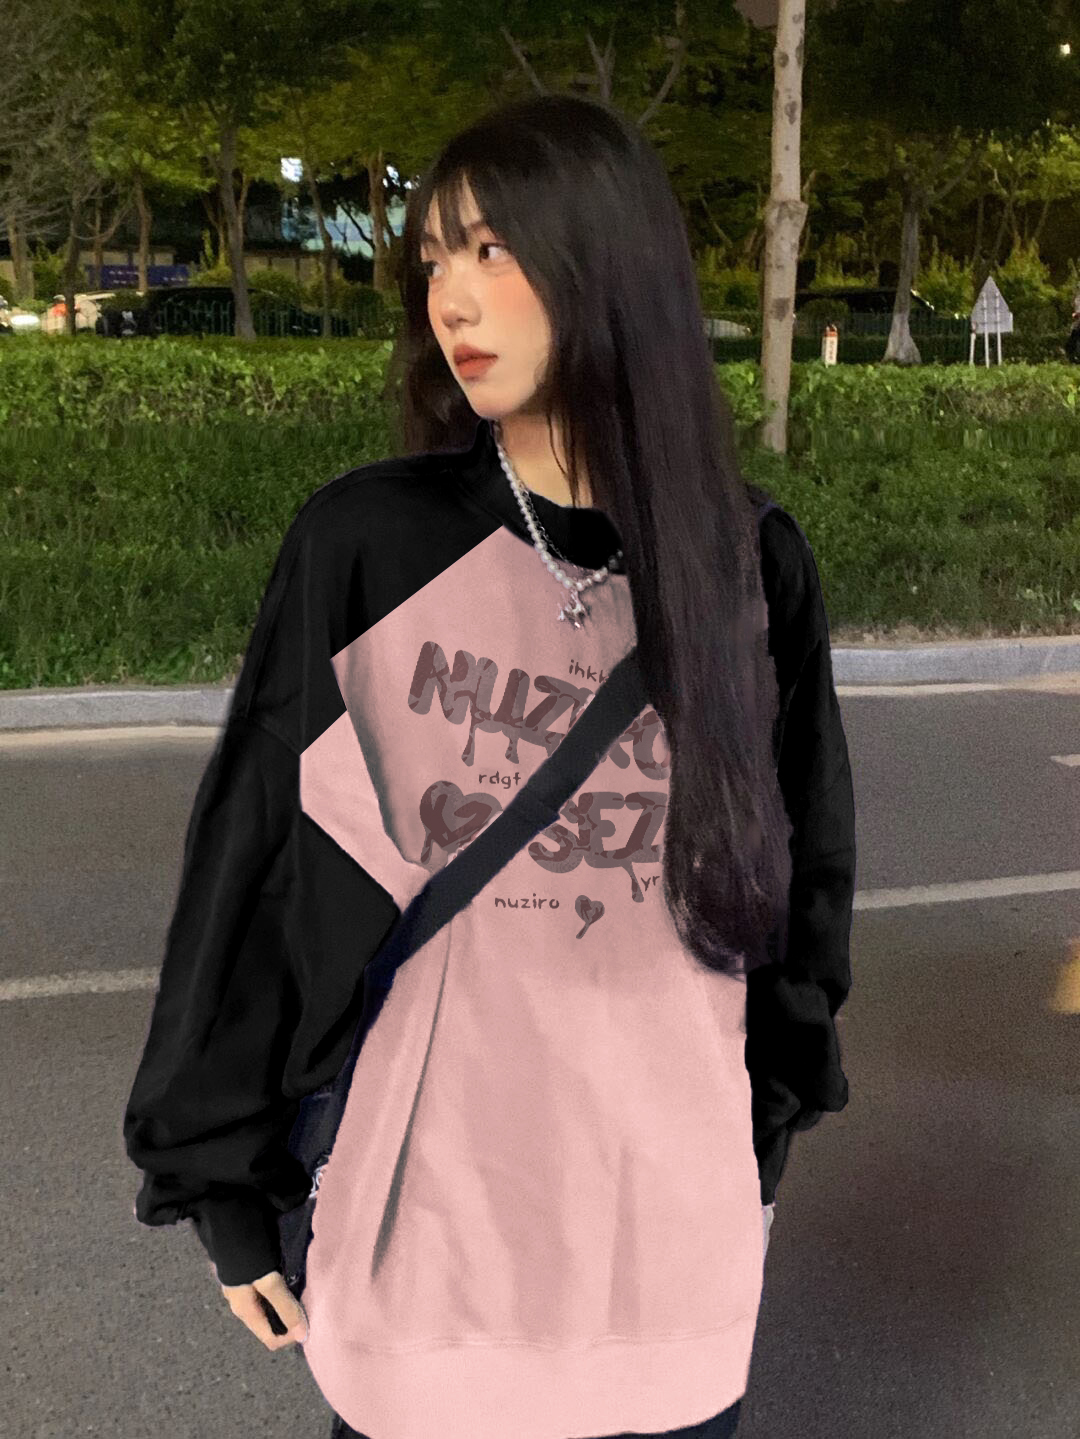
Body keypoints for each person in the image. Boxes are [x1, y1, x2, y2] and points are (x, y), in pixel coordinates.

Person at [123, 93, 855, 1439]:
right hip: (431, 1248)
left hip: (669, 1258)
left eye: (493, 250)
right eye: (434, 260)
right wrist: (219, 1180)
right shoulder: (370, 547)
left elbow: (802, 886)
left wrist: (757, 1141)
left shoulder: (748, 567)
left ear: (606, 262)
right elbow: (259, 868)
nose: (451, 298)